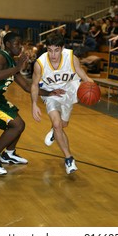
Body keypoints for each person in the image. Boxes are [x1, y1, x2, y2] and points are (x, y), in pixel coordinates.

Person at [0, 32, 64, 175]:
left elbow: (27, 87)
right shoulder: (0, 57)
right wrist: (17, 67)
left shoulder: (11, 61)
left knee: (20, 124)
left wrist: (49, 92)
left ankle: (8, 154)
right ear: (7, 44)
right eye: (16, 44)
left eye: (20, 44)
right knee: (17, 125)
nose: (19, 47)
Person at [31, 33, 93, 175]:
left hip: (69, 91)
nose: (53, 54)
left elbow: (84, 76)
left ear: (62, 48)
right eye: (50, 50)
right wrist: (34, 104)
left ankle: (55, 130)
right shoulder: (40, 64)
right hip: (52, 94)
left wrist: (94, 89)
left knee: (63, 125)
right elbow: (34, 85)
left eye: (56, 50)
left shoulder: (71, 58)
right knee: (58, 124)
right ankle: (69, 159)